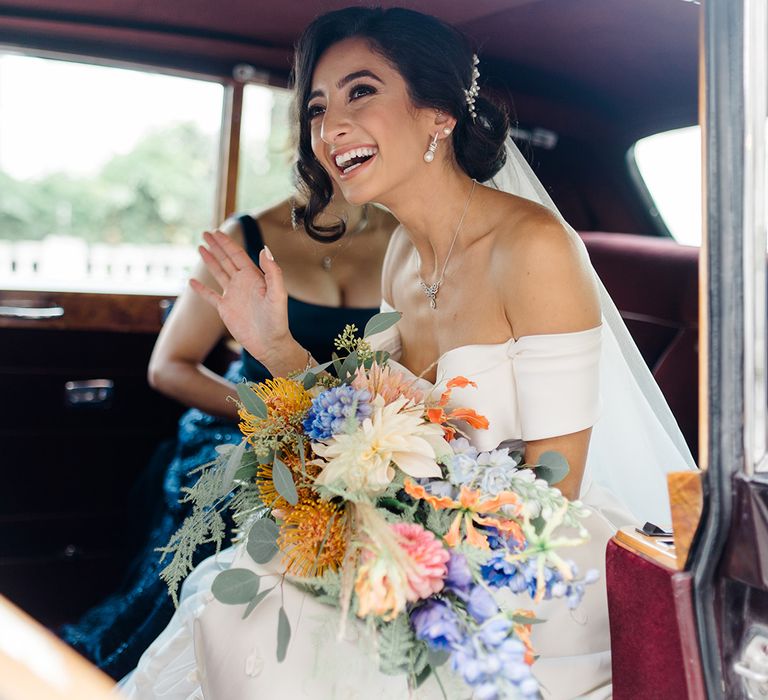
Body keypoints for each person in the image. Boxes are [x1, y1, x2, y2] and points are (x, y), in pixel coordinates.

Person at [119, 7, 696, 699]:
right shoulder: (402, 253)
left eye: (361, 92)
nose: (330, 127)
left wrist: (399, 524)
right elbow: (374, 410)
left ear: (439, 114)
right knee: (238, 605)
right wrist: (276, 347)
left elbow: (554, 493)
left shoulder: (535, 247)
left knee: (281, 642)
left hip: (527, 557)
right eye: (317, 107)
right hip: (421, 523)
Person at [59, 194, 396, 679]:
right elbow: (169, 366)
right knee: (241, 502)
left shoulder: (406, 240)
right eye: (317, 113)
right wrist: (277, 414)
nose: (335, 132)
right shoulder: (246, 236)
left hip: (360, 435)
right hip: (244, 426)